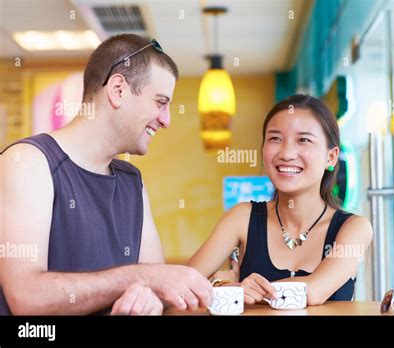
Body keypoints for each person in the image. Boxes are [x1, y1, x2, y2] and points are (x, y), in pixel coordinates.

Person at [0, 34, 212, 315]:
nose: (166, 120)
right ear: (118, 90)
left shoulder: (132, 181)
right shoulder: (27, 162)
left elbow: (158, 286)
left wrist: (149, 298)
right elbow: (27, 298)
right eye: (160, 102)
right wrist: (142, 279)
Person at [188, 94, 373, 305]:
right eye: (275, 138)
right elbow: (181, 285)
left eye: (303, 140)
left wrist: (236, 291)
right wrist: (222, 286)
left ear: (330, 157)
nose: (286, 153)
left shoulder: (355, 228)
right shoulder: (242, 217)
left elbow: (313, 292)